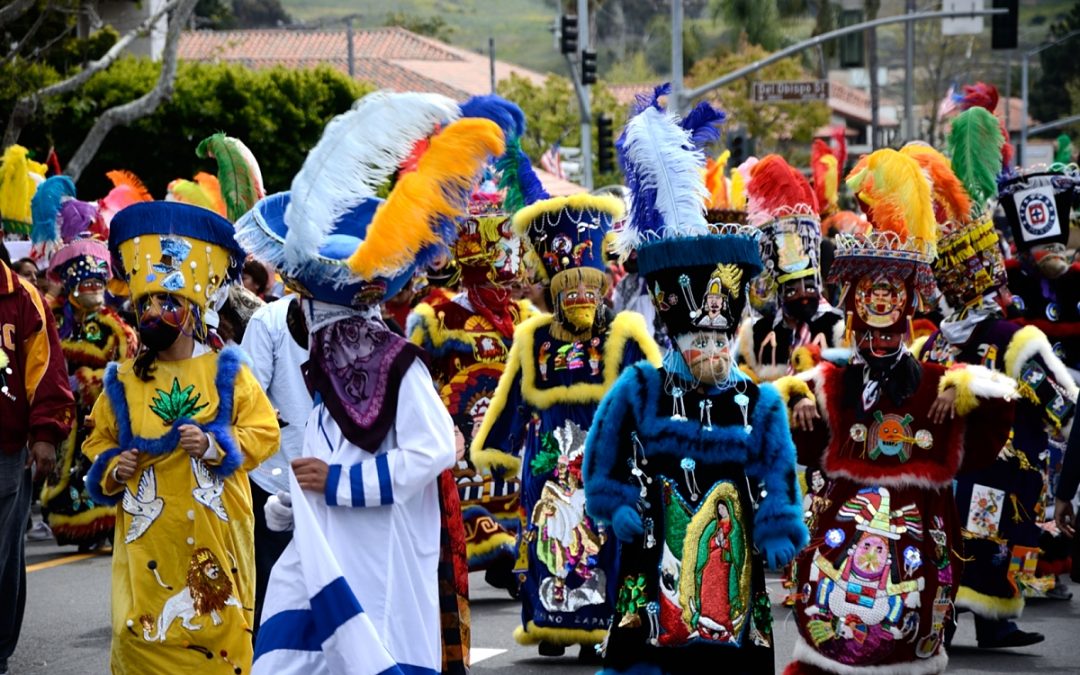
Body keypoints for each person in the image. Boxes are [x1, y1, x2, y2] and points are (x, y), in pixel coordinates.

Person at [241, 90, 505, 675]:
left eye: (305, 300)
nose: (299, 312)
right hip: (321, 554)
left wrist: (338, 486)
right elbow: (323, 452)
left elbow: (433, 449)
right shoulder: (328, 365)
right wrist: (296, 502)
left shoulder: (396, 362)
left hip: (375, 562)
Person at [582, 99, 806, 674]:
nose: (709, 351)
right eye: (697, 341)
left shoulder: (758, 402)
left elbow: (779, 473)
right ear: (676, 338)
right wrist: (616, 504)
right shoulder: (638, 389)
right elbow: (601, 462)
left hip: (734, 573)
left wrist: (780, 523)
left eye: (719, 340)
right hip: (652, 558)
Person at [778, 149, 1018, 675]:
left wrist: (967, 387)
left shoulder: (936, 383)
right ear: (854, 305)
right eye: (871, 293)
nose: (881, 302)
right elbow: (795, 431)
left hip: (915, 547)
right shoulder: (834, 382)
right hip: (840, 549)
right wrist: (795, 398)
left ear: (908, 305)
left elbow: (995, 421)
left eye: (892, 293)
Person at [81, 201, 280, 674]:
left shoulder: (227, 370)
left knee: (219, 649)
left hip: (215, 541)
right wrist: (113, 467)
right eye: (145, 303)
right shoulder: (122, 381)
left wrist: (214, 447)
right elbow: (96, 444)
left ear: (191, 312)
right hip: (149, 548)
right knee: (140, 643)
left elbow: (264, 432)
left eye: (166, 303)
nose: (154, 312)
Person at [470, 187, 662, 657]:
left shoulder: (625, 334)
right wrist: (496, 449)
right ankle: (551, 626)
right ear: (555, 293)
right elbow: (512, 396)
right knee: (547, 540)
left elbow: (648, 394)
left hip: (604, 459)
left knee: (601, 543)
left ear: (601, 289)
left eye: (588, 289)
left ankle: (596, 629)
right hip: (548, 461)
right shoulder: (532, 337)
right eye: (569, 289)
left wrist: (657, 444)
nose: (580, 297)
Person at [910, 115, 1073, 648]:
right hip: (998, 468)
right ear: (990, 280)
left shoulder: (934, 341)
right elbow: (1060, 403)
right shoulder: (1011, 335)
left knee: (960, 541)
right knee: (989, 541)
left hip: (945, 471)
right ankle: (995, 623)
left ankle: (953, 620)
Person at [407, 97, 544, 596]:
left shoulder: (526, 318)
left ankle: (519, 560)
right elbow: (417, 383)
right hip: (459, 440)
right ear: (477, 252)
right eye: (502, 248)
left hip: (512, 437)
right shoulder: (436, 317)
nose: (514, 264)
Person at [29, 175, 137, 550]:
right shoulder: (54, 318)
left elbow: (126, 365)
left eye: (97, 284)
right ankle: (76, 530)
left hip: (98, 413)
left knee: (97, 467)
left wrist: (92, 382)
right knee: (66, 473)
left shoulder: (115, 325)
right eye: (85, 284)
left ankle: (104, 529)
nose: (92, 290)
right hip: (65, 415)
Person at [0, 256, 74, 675]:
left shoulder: (23, 298)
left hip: (5, 449)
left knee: (3, 554)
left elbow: (47, 369)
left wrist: (45, 434)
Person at [238, 293, 311, 635]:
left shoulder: (362, 315)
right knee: (273, 591)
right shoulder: (269, 320)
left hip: (338, 478)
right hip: (275, 478)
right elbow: (251, 396)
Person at [737, 155, 845, 382]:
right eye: (792, 288)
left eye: (808, 285)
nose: (803, 294)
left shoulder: (836, 326)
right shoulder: (756, 331)